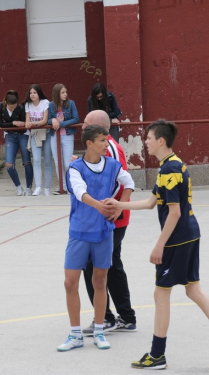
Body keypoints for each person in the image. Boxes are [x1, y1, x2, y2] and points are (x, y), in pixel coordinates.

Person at [106, 119, 209, 370]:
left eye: (148, 138)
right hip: (189, 235)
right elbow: (151, 203)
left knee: (161, 293)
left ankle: (157, 355)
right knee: (193, 290)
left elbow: (174, 213)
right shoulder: (171, 165)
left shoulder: (170, 169)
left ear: (161, 140)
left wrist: (159, 244)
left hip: (177, 239)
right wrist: (120, 205)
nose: (145, 142)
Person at [57, 125, 134, 352]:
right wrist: (100, 205)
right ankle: (75, 334)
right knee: (70, 283)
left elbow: (128, 182)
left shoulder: (112, 165)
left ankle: (100, 330)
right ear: (89, 143)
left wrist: (120, 207)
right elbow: (80, 192)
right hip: (79, 233)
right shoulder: (75, 167)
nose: (105, 144)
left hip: (103, 233)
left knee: (100, 281)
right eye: (101, 140)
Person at [78, 110, 137, 337]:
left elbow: (121, 180)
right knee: (112, 265)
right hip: (112, 217)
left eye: (86, 123)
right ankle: (126, 317)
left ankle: (105, 318)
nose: (82, 126)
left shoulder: (108, 147)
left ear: (99, 128)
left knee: (92, 265)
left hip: (109, 219)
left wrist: (116, 207)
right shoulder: (104, 147)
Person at [0, 90, 33, 196]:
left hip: (22, 135)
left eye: (14, 107)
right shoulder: (0, 107)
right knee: (9, 164)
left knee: (26, 161)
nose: (13, 109)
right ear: (6, 103)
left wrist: (14, 124)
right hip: (9, 136)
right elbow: (1, 124)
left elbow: (23, 125)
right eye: (10, 107)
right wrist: (13, 123)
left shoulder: (21, 107)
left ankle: (29, 187)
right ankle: (18, 186)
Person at [48, 83, 79, 195]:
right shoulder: (51, 105)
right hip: (54, 136)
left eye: (66, 92)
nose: (65, 94)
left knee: (67, 163)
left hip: (67, 135)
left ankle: (72, 185)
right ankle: (62, 187)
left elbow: (76, 118)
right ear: (57, 94)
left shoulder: (71, 104)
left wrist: (62, 123)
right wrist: (52, 120)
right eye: (62, 92)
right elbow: (47, 120)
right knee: (58, 162)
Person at [24, 84, 52, 196]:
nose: (32, 95)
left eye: (34, 92)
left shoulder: (45, 102)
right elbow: (27, 120)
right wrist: (28, 124)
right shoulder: (28, 104)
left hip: (46, 133)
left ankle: (47, 188)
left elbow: (45, 120)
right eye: (31, 93)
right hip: (35, 134)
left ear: (39, 93)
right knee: (36, 160)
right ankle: (38, 187)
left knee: (47, 161)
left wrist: (34, 124)